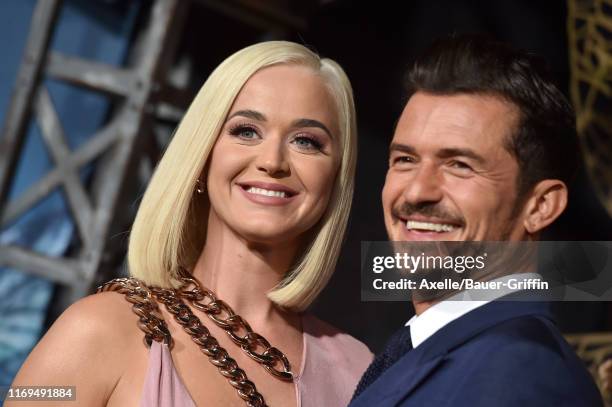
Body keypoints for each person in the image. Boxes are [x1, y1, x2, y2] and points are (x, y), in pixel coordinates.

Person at [7, 41, 372, 407]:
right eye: (246, 131)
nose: (273, 161)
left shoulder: (359, 373)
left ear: (335, 179)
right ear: (202, 156)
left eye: (306, 141)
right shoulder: (94, 331)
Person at [350, 35, 602, 406]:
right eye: (405, 159)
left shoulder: (522, 376)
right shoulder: (436, 350)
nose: (418, 191)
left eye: (459, 165)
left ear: (541, 206)